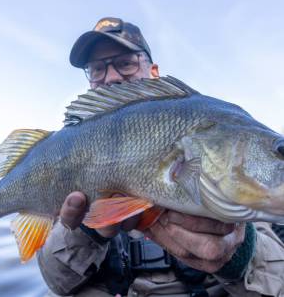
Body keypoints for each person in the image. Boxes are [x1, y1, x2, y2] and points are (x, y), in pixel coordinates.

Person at [37, 17, 284, 297]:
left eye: (126, 62)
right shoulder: (70, 150)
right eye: (96, 69)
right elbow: (55, 280)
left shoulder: (218, 128)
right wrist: (89, 229)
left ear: (153, 71)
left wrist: (241, 254)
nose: (112, 76)